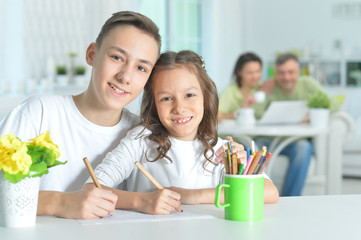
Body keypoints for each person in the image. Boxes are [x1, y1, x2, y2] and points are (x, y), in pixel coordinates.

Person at [0, 11, 162, 219]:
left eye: (141, 67)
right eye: (117, 57)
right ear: (92, 54)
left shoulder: (141, 136)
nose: (125, 77)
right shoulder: (39, 112)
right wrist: (59, 203)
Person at [84, 50, 279, 215]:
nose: (180, 107)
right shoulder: (140, 140)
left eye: (189, 95)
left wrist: (194, 196)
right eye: (167, 98)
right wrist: (142, 201)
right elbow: (91, 188)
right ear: (154, 105)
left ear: (206, 98)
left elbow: (270, 192)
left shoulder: (222, 150)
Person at [255, 52, 337, 196]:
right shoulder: (269, 86)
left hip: (296, 142)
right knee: (254, 146)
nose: (286, 77)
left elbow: (333, 104)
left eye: (291, 72)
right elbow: (256, 114)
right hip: (268, 140)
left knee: (304, 148)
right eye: (281, 73)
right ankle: (258, 195)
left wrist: (311, 115)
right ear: (275, 73)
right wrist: (263, 91)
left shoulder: (308, 84)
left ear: (299, 71)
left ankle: (290, 198)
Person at [218, 52, 263, 121]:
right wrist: (239, 114)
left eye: (258, 71)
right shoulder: (230, 91)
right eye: (250, 73)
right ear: (239, 72)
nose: (255, 76)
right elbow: (217, 117)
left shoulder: (262, 87)